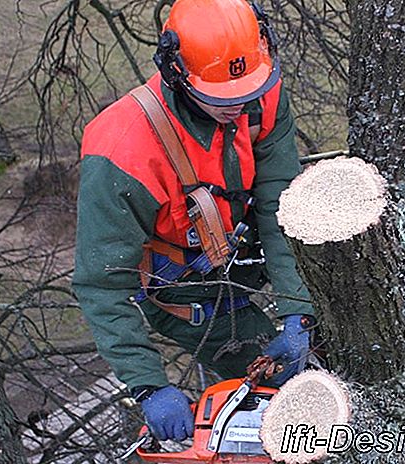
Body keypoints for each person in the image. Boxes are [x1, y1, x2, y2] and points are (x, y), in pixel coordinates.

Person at [72, 0, 315, 443]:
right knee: (293, 390)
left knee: (330, 343)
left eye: (245, 96)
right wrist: (148, 384)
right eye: (222, 99)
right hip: (185, 286)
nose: (238, 109)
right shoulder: (123, 152)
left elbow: (279, 200)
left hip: (247, 243)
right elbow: (102, 283)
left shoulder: (261, 91)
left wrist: (297, 309)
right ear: (176, 74)